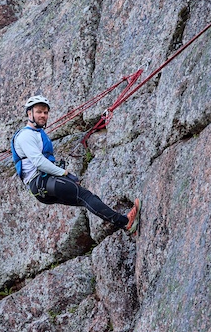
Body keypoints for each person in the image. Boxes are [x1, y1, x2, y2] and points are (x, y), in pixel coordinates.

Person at [11, 95, 140, 233]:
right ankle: (126, 222)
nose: (43, 115)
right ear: (29, 113)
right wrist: (64, 173)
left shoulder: (37, 133)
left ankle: (126, 225)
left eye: (45, 112)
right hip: (42, 182)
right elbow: (39, 162)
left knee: (86, 199)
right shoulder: (25, 135)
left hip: (43, 185)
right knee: (86, 197)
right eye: (39, 112)